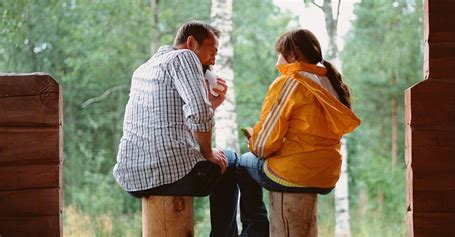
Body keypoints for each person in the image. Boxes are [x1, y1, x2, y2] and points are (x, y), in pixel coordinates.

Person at [112, 21, 239, 237]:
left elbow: (174, 127)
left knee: (216, 159)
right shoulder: (185, 56)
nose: (213, 59)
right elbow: (199, 112)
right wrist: (208, 153)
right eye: (211, 50)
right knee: (232, 160)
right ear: (191, 43)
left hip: (132, 179)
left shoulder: (143, 68)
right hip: (173, 176)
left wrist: (212, 105)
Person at [237, 29, 361, 236]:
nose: (277, 60)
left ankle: (254, 232)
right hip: (327, 174)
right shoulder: (329, 83)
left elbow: (264, 145)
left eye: (280, 53)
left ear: (293, 55)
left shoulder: (290, 82)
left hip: (294, 173)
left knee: (242, 163)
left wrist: (253, 141)